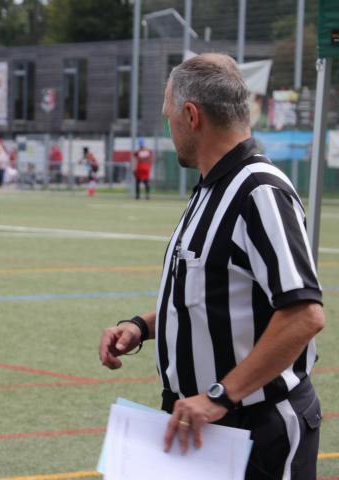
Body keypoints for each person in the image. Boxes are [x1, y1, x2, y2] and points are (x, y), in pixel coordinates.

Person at [98, 53, 324, 479]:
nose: (169, 127)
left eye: (169, 115)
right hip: (204, 426)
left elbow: (303, 315)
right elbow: (214, 294)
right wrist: (142, 326)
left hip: (254, 430)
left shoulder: (259, 191)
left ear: (191, 115)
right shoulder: (210, 187)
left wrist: (220, 395)